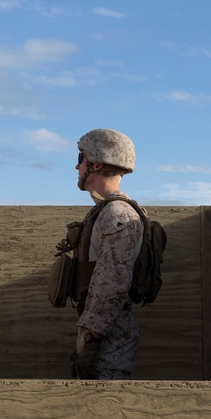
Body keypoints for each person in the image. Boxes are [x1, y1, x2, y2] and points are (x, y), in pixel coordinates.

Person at [69, 128, 144, 380]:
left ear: (96, 162)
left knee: (104, 407)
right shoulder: (105, 212)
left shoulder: (117, 215)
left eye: (81, 159)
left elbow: (113, 282)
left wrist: (92, 340)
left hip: (106, 333)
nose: (77, 167)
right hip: (100, 328)